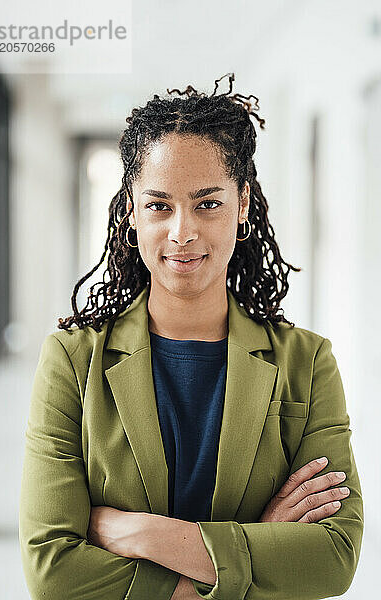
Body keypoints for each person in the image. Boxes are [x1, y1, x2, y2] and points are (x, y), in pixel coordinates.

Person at [19, 72, 364, 600]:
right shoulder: (70, 361)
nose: (182, 231)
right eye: (159, 205)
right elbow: (52, 570)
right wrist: (257, 548)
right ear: (132, 212)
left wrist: (138, 533)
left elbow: (333, 559)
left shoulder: (308, 363)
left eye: (207, 203)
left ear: (242, 204)